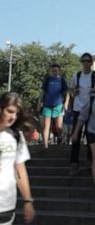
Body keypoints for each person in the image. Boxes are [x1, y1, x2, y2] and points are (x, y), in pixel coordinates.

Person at [0, 92, 35, 225]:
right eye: (10, 111)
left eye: (17, 114)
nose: (13, 117)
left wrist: (28, 201)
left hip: (6, 205)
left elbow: (20, 171)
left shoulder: (16, 136)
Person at [69, 52, 95, 176]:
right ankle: (74, 162)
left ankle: (90, 160)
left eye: (88, 61)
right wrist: (74, 91)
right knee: (75, 136)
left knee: (90, 136)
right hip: (78, 108)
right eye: (84, 61)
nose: (86, 63)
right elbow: (71, 90)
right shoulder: (76, 76)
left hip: (91, 109)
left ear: (92, 62)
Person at [39, 64, 69, 149]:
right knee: (46, 126)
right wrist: (39, 102)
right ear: (50, 71)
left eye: (56, 70)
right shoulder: (48, 80)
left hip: (58, 105)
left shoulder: (62, 80)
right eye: (53, 70)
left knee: (58, 127)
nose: (54, 72)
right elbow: (43, 92)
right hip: (47, 105)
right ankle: (45, 145)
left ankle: (60, 138)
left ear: (59, 71)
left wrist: (66, 103)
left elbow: (67, 92)